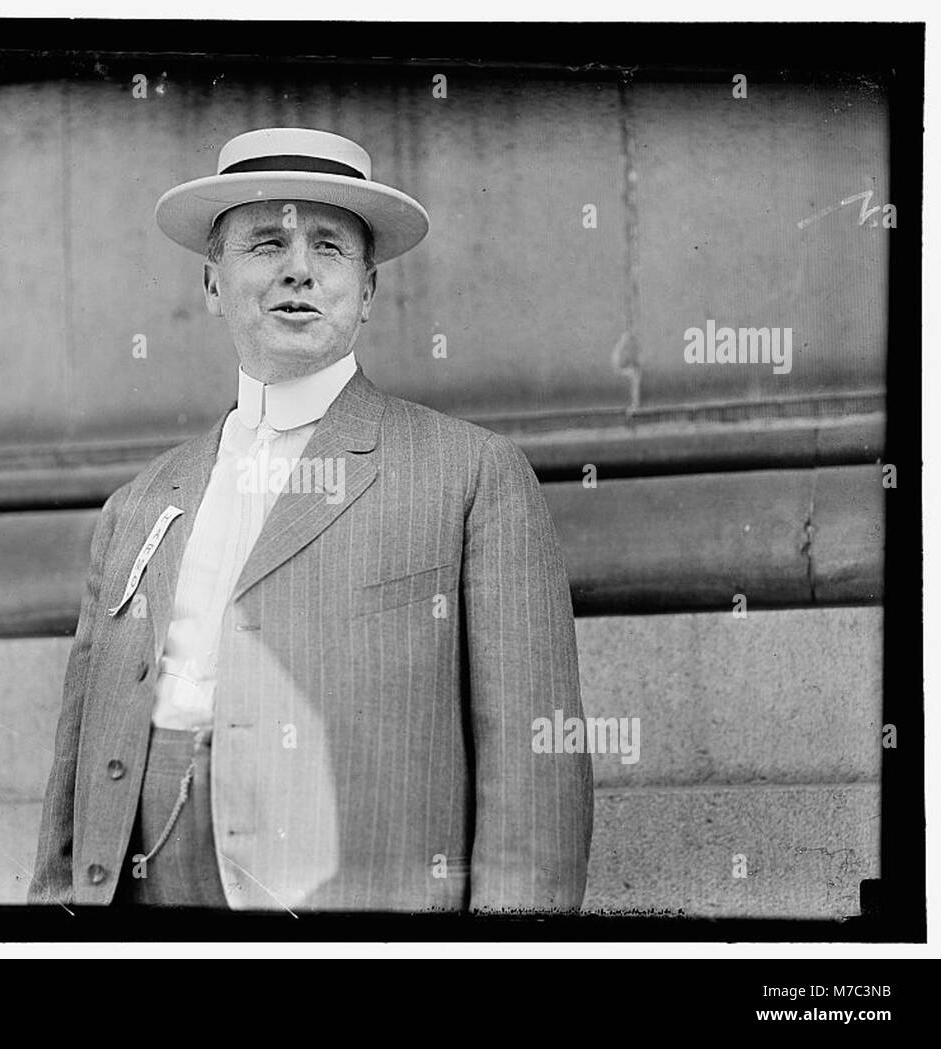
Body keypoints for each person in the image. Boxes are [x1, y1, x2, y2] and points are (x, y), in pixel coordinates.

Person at [31, 127, 592, 912]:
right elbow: (73, 771)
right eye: (265, 242)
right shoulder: (139, 503)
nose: (297, 267)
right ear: (211, 282)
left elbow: (535, 786)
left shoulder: (471, 474)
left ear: (367, 289)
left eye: (328, 246)